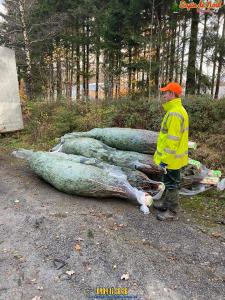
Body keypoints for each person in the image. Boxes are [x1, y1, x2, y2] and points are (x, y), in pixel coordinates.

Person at [153, 82, 189, 221]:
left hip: (171, 158)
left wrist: (165, 160)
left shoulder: (174, 113)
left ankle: (172, 212)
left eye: (166, 92)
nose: (164, 95)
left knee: (172, 184)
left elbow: (172, 140)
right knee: (168, 182)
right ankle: (166, 204)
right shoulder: (178, 110)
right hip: (174, 157)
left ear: (172, 94)